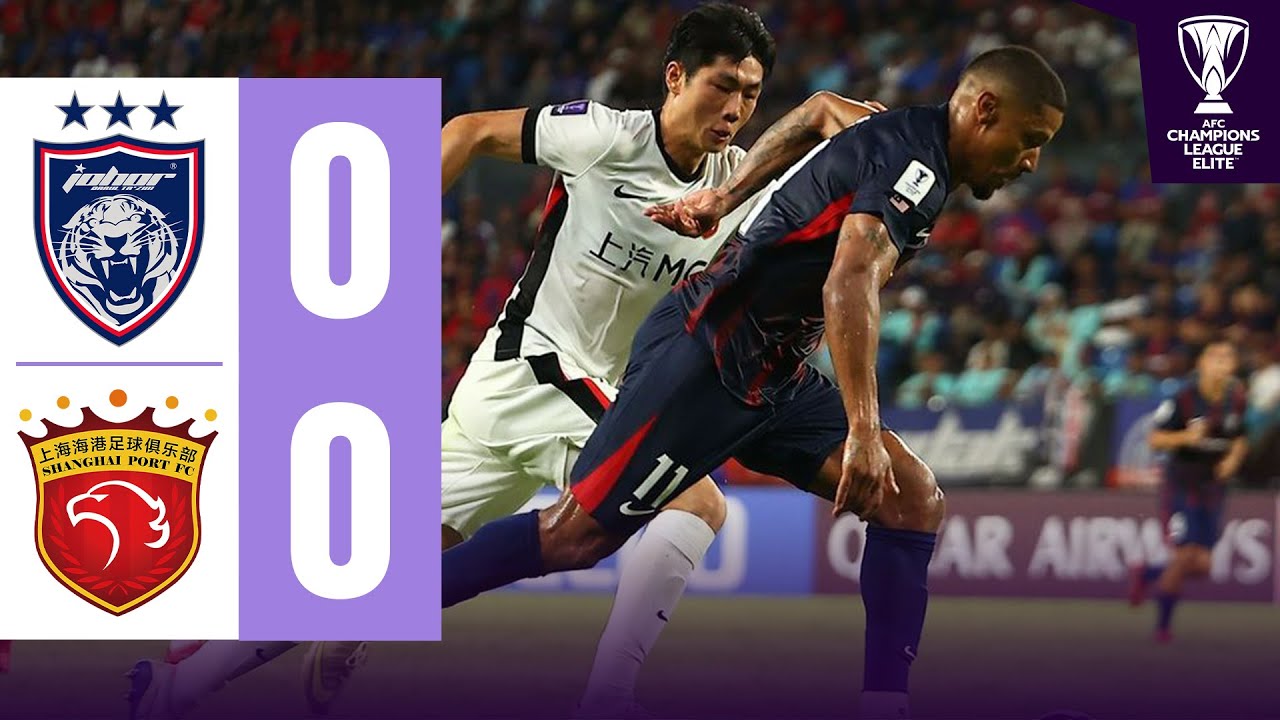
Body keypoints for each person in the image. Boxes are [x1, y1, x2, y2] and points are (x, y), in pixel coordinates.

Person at [127, 5, 883, 719]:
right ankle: (609, 696)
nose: (737, 108)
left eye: (751, 94)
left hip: (526, 390)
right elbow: (468, 131)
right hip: (539, 367)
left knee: (389, 569)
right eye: (723, 85)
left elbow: (832, 174)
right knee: (699, 503)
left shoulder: (739, 185)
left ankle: (175, 689)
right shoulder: (605, 136)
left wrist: (858, 127)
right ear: (676, 77)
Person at [441, 45, 1066, 720]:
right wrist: (863, 430)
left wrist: (723, 196)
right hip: (707, 357)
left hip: (773, 372)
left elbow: (816, 111)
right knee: (575, 538)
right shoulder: (914, 166)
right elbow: (849, 279)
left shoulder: (905, 138)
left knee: (910, 499)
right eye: (1030, 138)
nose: (1032, 160)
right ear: (985, 109)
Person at [1128, 340, 1248, 643]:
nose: (1221, 362)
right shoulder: (1183, 398)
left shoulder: (1236, 398)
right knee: (1184, 556)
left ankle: (1148, 574)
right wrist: (1185, 437)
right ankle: (1162, 628)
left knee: (1203, 566)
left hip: (1213, 487)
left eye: (1227, 357)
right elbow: (1155, 439)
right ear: (1201, 364)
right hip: (1181, 485)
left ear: (1233, 366)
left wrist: (1233, 459)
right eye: (1215, 356)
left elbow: (1240, 437)